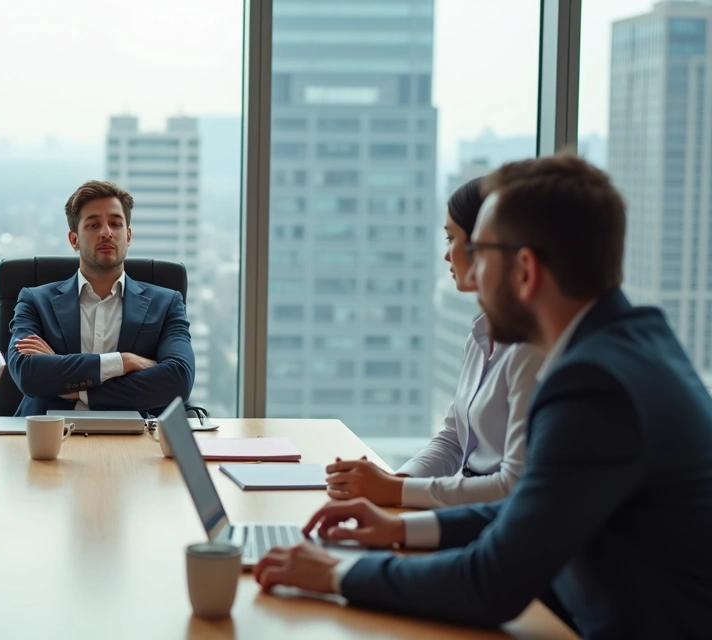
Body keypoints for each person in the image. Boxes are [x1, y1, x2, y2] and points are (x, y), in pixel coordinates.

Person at [253, 155, 712, 638]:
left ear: (525, 271)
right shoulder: (633, 345)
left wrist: (333, 573)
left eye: (482, 252)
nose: (469, 273)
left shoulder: (596, 387)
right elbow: (535, 510)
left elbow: (491, 584)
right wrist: (400, 528)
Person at [324, 178, 544, 508]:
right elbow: (454, 439)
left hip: (487, 523)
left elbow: (513, 487)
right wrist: (395, 483)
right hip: (463, 509)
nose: (447, 254)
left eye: (452, 238)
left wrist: (395, 493)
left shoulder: (529, 351)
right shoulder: (482, 334)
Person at [7, 180, 195, 417]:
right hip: (45, 436)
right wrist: (124, 362)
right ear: (74, 240)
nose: (106, 232)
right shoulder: (35, 301)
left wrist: (75, 385)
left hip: (136, 439)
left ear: (128, 236)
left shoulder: (166, 304)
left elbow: (179, 379)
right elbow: (28, 374)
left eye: (115, 224)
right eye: (94, 224)